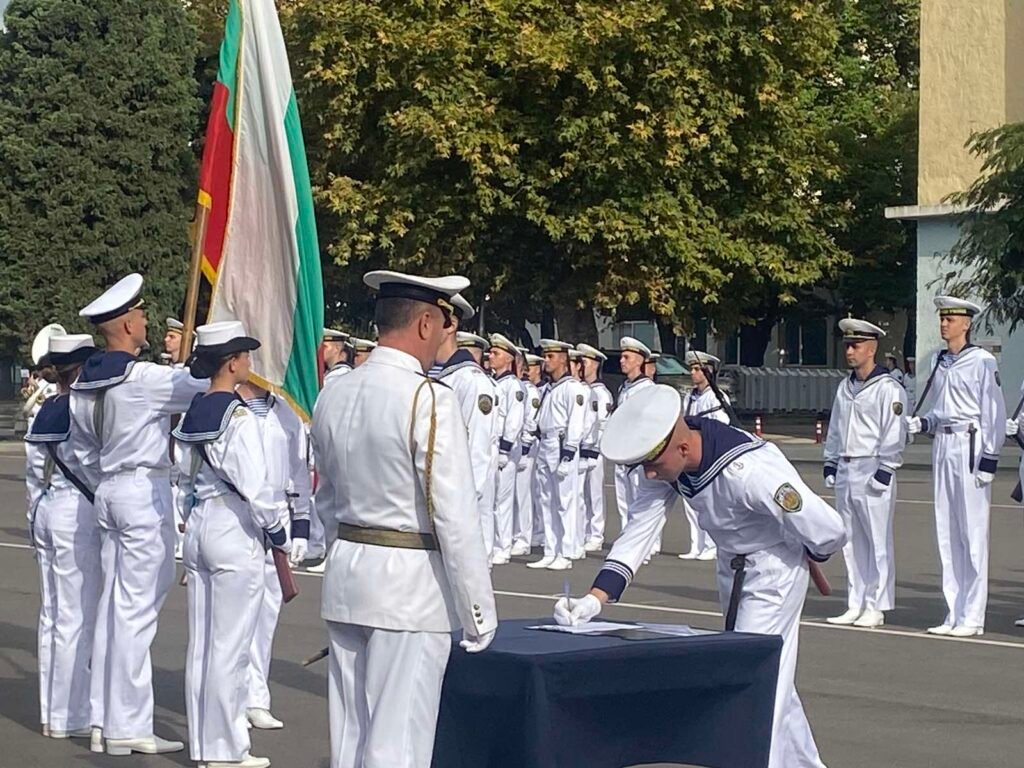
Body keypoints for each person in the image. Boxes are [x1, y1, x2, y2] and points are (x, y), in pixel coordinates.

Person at [555, 384, 845, 768]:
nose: (648, 474)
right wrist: (596, 598)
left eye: (653, 466)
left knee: (752, 685)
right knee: (775, 683)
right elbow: (638, 532)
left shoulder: (749, 472)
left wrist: (812, 548)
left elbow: (828, 528)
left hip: (773, 570)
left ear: (683, 449)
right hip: (732, 567)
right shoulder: (669, 463)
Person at [312, 270, 497, 768]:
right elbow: (454, 515)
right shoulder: (428, 397)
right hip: (410, 591)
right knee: (399, 746)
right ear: (424, 324)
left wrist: (346, 556)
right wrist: (478, 611)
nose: (445, 338)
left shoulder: (336, 391)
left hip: (348, 576)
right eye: (445, 326)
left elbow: (326, 499)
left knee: (350, 740)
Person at [70, 273, 206, 756]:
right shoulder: (143, 379)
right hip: (143, 490)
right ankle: (128, 725)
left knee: (112, 608)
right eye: (141, 313)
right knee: (135, 613)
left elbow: (82, 451)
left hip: (108, 488)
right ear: (127, 323)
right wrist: (194, 355)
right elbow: (200, 385)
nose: (146, 319)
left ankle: (104, 718)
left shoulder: (86, 384)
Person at [173, 321, 287, 768]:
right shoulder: (238, 416)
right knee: (231, 646)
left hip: (200, 524)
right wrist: (277, 533)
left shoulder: (193, 412)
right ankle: (225, 749)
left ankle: (206, 744)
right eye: (244, 354)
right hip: (234, 528)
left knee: (202, 645)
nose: (248, 362)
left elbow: (182, 476)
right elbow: (257, 487)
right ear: (232, 361)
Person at [906, 296, 1006, 637]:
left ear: (967, 324)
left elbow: (992, 410)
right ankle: (954, 610)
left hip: (970, 446)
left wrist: (990, 457)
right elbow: (940, 409)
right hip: (944, 445)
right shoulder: (939, 361)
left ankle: (973, 615)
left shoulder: (982, 361)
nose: (945, 323)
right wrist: (922, 424)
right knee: (946, 531)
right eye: (943, 318)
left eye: (951, 318)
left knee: (972, 534)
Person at [25, 333, 101, 742]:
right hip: (77, 514)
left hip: (47, 510)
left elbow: (33, 473)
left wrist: (34, 515)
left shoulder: (46, 410)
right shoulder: (85, 410)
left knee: (52, 616)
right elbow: (95, 468)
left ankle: (52, 711)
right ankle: (72, 711)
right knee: (76, 616)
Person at [236, 380, 313, 730]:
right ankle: (231, 698)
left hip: (278, 516)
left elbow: (298, 471)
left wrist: (300, 526)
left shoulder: (286, 412)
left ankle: (256, 697)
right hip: (237, 515)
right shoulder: (228, 406)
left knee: (266, 615)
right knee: (236, 617)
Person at [822, 319, 906, 629]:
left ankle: (876, 604)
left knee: (876, 540)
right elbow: (836, 427)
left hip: (872, 465)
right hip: (846, 466)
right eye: (847, 345)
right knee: (850, 539)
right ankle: (855, 601)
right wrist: (830, 461)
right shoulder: (846, 385)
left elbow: (893, 430)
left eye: (855, 345)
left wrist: (887, 468)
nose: (849, 350)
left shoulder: (888, 388)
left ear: (871, 349)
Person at [435, 302, 499, 558]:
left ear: (450, 325)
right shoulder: (440, 376)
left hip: (458, 511)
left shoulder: (471, 381)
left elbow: (477, 453)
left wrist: (458, 509)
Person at [527, 339, 585, 571]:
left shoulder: (573, 388)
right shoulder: (552, 388)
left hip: (561, 446)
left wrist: (569, 453)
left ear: (563, 359)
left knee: (565, 501)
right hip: (546, 444)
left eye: (551, 357)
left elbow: (576, 422)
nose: (546, 362)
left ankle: (566, 551)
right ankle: (551, 550)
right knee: (547, 500)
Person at [678, 350, 729, 561]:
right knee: (692, 504)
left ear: (708, 372)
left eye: (697, 369)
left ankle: (711, 545)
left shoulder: (716, 397)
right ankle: (696, 544)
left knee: (710, 504)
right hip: (691, 456)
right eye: (691, 369)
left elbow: (721, 426)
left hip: (709, 455)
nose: (693, 373)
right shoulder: (690, 396)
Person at [489, 333, 526, 565]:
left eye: (496, 353)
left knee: (502, 500)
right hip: (492, 446)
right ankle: (494, 543)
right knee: (491, 500)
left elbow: (514, 420)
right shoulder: (494, 382)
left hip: (506, 449)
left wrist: (504, 449)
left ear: (509, 359)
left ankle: (503, 545)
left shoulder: (514, 386)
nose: (491, 356)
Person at [613, 337, 655, 536]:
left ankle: (645, 542)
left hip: (638, 453)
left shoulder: (646, 388)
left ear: (639, 361)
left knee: (641, 500)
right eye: (622, 356)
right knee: (624, 500)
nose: (622, 360)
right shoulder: (625, 387)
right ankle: (627, 537)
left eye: (627, 357)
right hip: (622, 450)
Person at [577, 344, 612, 552]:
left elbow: (601, 425)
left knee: (595, 494)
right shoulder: (583, 390)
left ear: (595, 364)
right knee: (582, 494)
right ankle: (583, 531)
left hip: (594, 451)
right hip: (581, 450)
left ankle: (596, 534)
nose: (582, 366)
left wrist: (593, 450)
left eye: (586, 362)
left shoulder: (601, 393)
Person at [512, 352, 543, 555]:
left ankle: (523, 537)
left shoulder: (529, 391)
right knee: (511, 495)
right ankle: (514, 534)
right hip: (514, 448)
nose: (528, 370)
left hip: (526, 449)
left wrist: (524, 447)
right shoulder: (515, 386)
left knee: (523, 494)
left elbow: (531, 421)